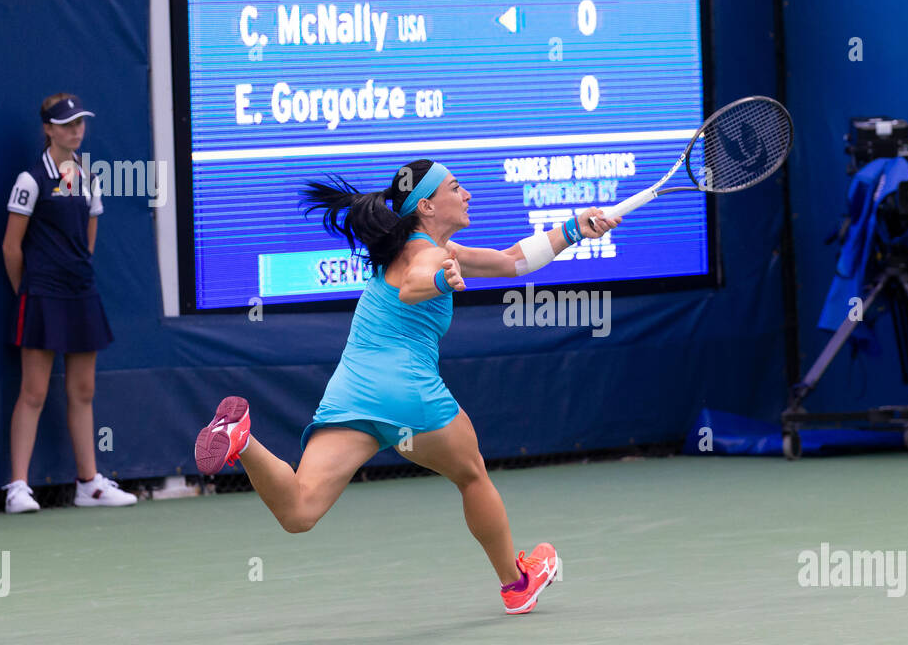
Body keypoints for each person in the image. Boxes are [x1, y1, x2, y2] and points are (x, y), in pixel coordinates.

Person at [194, 159, 619, 614]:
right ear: (428, 206)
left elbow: (513, 261)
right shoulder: (429, 256)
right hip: (407, 390)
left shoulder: (430, 247)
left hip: (351, 390)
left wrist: (575, 228)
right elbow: (414, 285)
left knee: (299, 511)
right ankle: (517, 585)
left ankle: (241, 438)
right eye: (457, 188)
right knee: (472, 474)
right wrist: (439, 280)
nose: (467, 195)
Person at [1, 93, 137, 513]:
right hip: (41, 294)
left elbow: (87, 241)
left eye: (79, 122)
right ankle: (18, 487)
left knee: (83, 389)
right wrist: (29, 290)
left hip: (80, 293)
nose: (75, 130)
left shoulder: (89, 178)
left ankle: (88, 484)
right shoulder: (29, 180)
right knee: (34, 391)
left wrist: (72, 276)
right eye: (66, 124)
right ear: (48, 129)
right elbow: (11, 247)